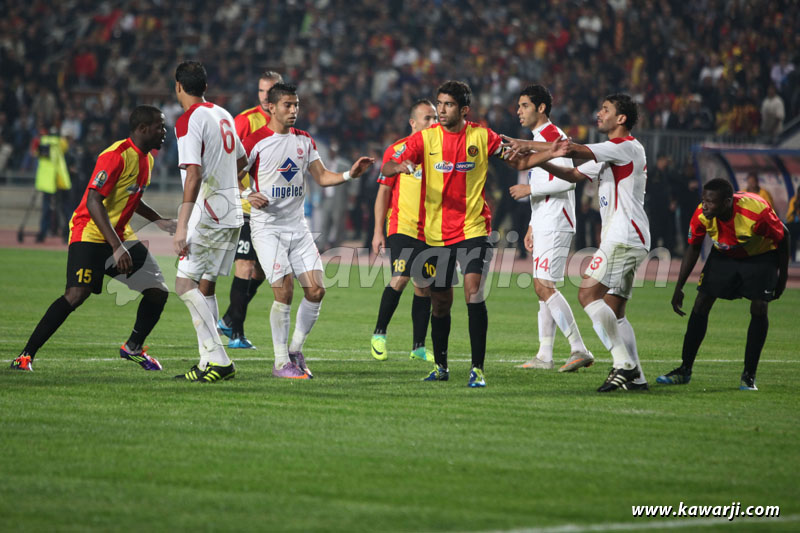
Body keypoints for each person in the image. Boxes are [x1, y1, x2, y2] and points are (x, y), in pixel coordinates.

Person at [381, 80, 561, 388]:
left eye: (448, 104)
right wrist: (398, 166)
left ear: (464, 110)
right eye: (439, 103)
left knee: (473, 292)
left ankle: (477, 369)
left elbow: (518, 160)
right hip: (434, 234)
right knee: (441, 303)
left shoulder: (482, 136)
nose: (440, 109)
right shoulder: (424, 139)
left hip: (474, 228)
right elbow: (386, 167)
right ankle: (441, 366)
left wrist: (551, 152)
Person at [506, 93, 651, 392]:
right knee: (615, 309)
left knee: (587, 294)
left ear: (621, 119)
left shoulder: (623, 147)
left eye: (605, 110)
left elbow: (569, 148)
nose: (599, 114)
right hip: (628, 236)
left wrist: (526, 146)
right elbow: (572, 172)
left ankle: (622, 364)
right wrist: (543, 162)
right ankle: (636, 376)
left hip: (623, 235)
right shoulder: (612, 153)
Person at [11, 106, 172, 372]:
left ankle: (132, 348)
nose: (164, 132)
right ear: (143, 129)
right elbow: (93, 200)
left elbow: (134, 197)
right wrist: (117, 247)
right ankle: (25, 356)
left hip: (119, 236)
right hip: (90, 231)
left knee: (157, 292)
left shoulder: (147, 160)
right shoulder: (115, 155)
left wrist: (159, 220)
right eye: (160, 127)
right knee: (76, 295)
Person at [241, 83, 374, 379]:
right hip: (267, 228)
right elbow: (230, 178)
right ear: (271, 107)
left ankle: (295, 351)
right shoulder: (255, 141)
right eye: (287, 105)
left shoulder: (304, 140)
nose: (293, 110)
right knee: (284, 290)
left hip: (298, 227)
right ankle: (279, 363)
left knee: (316, 290)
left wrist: (349, 174)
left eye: (296, 105)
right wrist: (245, 196)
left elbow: (322, 176)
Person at [657, 178, 789, 390]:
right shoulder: (702, 213)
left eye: (711, 201)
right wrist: (678, 286)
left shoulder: (756, 212)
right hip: (724, 254)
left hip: (760, 255)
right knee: (701, 303)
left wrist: (781, 279)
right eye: (703, 200)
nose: (705, 205)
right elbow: (693, 248)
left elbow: (784, 237)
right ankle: (684, 370)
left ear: (728, 202)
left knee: (759, 306)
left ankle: (748, 375)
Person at [505, 84, 592, 372]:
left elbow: (569, 179)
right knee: (543, 288)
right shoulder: (538, 138)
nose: (519, 111)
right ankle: (544, 355)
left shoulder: (553, 136)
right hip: (544, 220)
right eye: (518, 106)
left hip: (556, 221)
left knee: (543, 286)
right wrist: (532, 223)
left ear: (541, 108)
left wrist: (529, 188)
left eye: (525, 105)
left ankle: (578, 348)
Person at [173, 61, 247, 383]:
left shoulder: (188, 120)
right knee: (206, 285)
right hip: (231, 211)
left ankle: (219, 359)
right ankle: (206, 362)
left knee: (183, 285)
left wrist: (181, 224)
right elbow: (243, 161)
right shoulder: (223, 114)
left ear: (178, 86)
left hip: (208, 214)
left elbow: (194, 172)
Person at [216, 71, 284, 349]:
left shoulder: (283, 122)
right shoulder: (245, 121)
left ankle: (229, 320)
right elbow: (228, 160)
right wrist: (245, 193)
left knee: (262, 272)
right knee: (244, 266)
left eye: (271, 91)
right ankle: (236, 334)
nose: (265, 96)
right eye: (261, 91)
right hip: (245, 207)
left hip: (271, 210)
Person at [370, 99, 438, 363]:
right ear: (413, 122)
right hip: (403, 226)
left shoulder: (439, 150)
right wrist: (378, 231)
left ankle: (418, 347)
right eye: (427, 118)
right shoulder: (397, 150)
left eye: (435, 118)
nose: (433, 123)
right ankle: (379, 334)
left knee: (425, 287)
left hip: (432, 230)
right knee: (401, 277)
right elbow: (383, 192)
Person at [32, 125, 72, 242]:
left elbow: (35, 152)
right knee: (65, 209)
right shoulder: (60, 143)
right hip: (60, 179)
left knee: (46, 208)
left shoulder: (42, 142)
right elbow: (65, 147)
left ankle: (43, 233)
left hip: (46, 181)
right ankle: (67, 234)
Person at [787, 189, 800, 261]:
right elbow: (789, 216)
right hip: (794, 224)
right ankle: (790, 256)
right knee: (789, 230)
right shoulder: (794, 200)